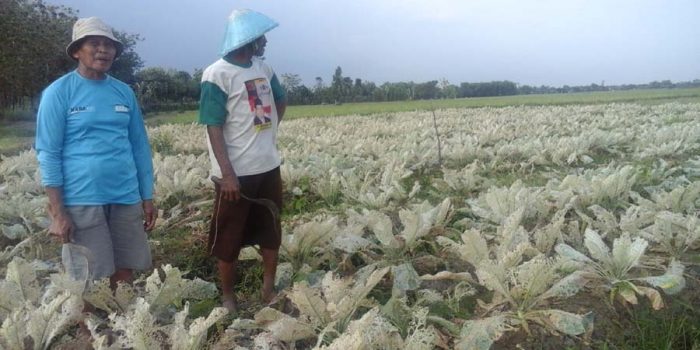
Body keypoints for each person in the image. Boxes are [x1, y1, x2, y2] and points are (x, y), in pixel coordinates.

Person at [35, 17, 156, 288]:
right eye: (95, 43)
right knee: (88, 273)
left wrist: (146, 196)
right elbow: (48, 153)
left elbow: (139, 146)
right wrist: (58, 212)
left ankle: (118, 323)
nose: (103, 50)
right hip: (82, 197)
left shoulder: (123, 92)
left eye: (109, 45)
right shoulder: (58, 93)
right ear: (77, 50)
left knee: (125, 266)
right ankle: (88, 330)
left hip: (125, 194)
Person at [199, 9, 287, 312]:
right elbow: (213, 124)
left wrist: (271, 133)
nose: (265, 42)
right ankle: (228, 296)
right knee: (229, 235)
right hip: (236, 172)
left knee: (271, 230)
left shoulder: (264, 68)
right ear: (247, 38)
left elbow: (280, 99)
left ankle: (267, 290)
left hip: (268, 166)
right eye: (261, 37)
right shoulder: (217, 74)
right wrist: (227, 174)